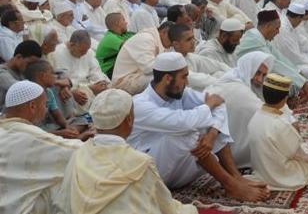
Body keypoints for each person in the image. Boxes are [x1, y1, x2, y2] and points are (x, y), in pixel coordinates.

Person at [128, 52, 269, 201]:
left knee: (208, 123)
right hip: (149, 173)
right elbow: (184, 122)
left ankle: (235, 177)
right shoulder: (141, 105)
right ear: (168, 79)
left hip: (176, 170)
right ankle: (230, 185)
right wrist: (208, 106)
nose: (187, 82)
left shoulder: (179, 92)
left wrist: (212, 134)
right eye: (184, 77)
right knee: (187, 131)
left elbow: (219, 103)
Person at [55, 89, 198, 214]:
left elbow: (65, 201)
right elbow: (166, 206)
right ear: (129, 119)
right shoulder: (140, 162)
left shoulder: (79, 154)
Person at [0, 80, 82, 214]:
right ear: (32, 106)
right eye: (45, 105)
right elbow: (80, 152)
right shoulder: (31, 136)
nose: (46, 110)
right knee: (67, 179)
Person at [247, 73, 308, 190]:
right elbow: (299, 153)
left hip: (261, 171)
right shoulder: (281, 124)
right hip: (280, 174)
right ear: (285, 99)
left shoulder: (255, 117)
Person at [204, 52, 278, 168]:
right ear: (249, 68)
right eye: (257, 73)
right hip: (218, 147)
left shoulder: (235, 78)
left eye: (264, 75)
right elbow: (265, 115)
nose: (259, 79)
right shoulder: (238, 89)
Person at [235, 10, 308, 97]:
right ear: (268, 26)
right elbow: (274, 64)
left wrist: (297, 72)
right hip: (248, 80)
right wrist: (301, 82)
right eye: (277, 28)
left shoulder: (261, 39)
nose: (278, 32)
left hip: (259, 75)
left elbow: (280, 58)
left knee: (292, 83)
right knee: (284, 86)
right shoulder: (254, 40)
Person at [49, 30, 111, 114]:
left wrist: (100, 83)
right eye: (82, 51)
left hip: (90, 87)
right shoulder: (56, 53)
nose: (85, 54)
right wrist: (89, 89)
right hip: (73, 91)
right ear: (72, 45)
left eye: (87, 50)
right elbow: (58, 83)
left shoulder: (88, 52)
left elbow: (96, 71)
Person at [111, 21, 174, 95]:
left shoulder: (157, 39)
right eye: (171, 40)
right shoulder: (146, 38)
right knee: (164, 79)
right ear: (164, 32)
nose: (172, 44)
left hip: (138, 76)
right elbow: (148, 68)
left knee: (170, 77)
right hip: (123, 82)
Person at [169, 24, 230, 91]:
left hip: (194, 95)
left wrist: (232, 74)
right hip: (182, 98)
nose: (193, 42)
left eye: (193, 38)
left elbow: (216, 65)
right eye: (188, 39)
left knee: (219, 73)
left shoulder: (190, 56)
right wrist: (223, 82)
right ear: (176, 44)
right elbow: (196, 79)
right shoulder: (171, 61)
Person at [0, 40, 44, 110]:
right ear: (18, 57)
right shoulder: (2, 73)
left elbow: (53, 70)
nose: (30, 67)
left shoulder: (21, 70)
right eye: (29, 63)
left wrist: (64, 81)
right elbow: (21, 88)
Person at [95, 12, 135, 77]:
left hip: (120, 67)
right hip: (109, 71)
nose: (126, 23)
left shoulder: (126, 34)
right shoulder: (109, 38)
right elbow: (129, 47)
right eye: (123, 20)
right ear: (118, 23)